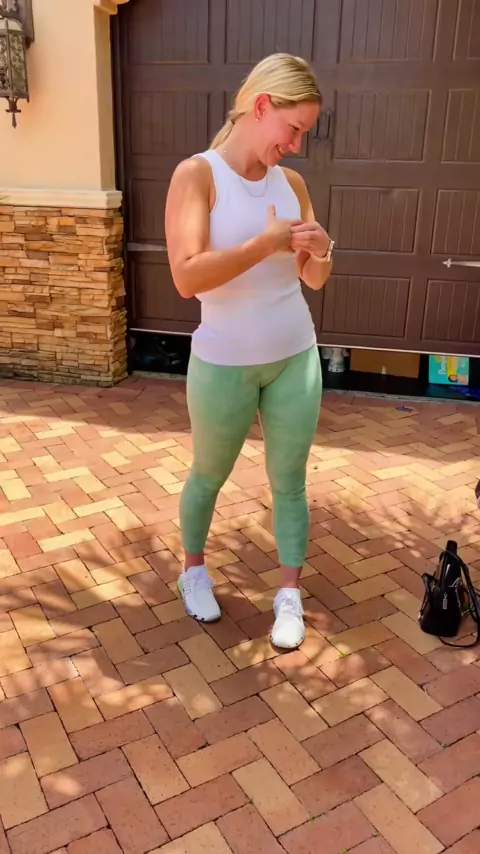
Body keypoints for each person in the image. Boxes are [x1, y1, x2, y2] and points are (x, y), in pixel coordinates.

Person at [165, 53, 333, 650]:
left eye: (304, 133)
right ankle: (193, 572)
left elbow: (313, 278)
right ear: (261, 106)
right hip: (224, 362)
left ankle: (289, 594)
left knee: (290, 481)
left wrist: (322, 249)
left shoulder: (293, 185)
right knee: (208, 475)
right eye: (293, 128)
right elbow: (186, 278)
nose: (295, 144)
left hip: (295, 355)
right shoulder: (198, 175)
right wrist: (263, 245)